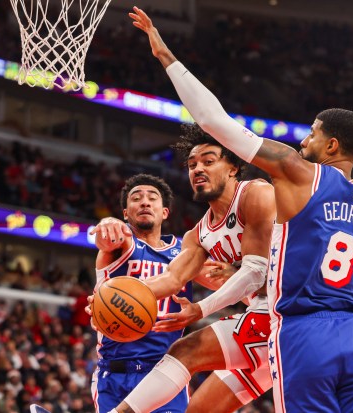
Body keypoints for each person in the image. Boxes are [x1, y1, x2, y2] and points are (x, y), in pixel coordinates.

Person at [128, 7, 353, 412]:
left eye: (312, 134)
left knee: (191, 353)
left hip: (301, 329)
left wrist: (167, 57)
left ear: (332, 146)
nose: (305, 142)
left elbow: (212, 120)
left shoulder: (298, 173)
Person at [105, 122, 276, 413]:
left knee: (186, 351)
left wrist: (201, 309)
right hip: (267, 318)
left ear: (233, 167)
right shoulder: (198, 236)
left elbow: (256, 272)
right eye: (192, 164)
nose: (198, 169)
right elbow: (171, 278)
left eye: (209, 161)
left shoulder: (256, 194)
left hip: (295, 313)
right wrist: (111, 295)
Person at [88, 173, 196, 413]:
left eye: (152, 198)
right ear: (126, 213)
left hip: (165, 373)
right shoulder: (123, 245)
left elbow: (221, 279)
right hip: (114, 374)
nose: (145, 202)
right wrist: (108, 222)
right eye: (136, 198)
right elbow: (106, 238)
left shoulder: (185, 254)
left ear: (164, 211)